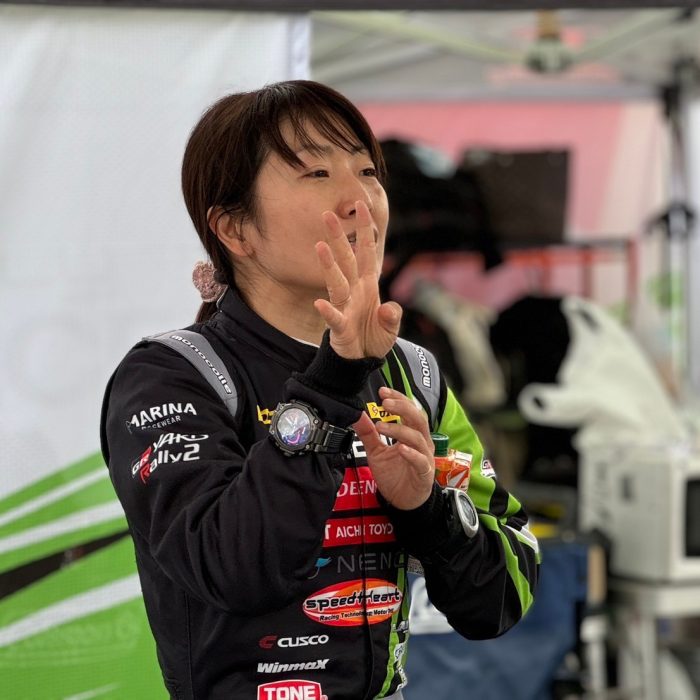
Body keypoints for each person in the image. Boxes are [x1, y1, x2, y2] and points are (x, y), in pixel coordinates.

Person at [100, 80, 539, 700]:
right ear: (235, 230)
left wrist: (427, 510)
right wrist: (333, 378)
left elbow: (501, 600)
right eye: (317, 173)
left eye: (368, 171)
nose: (360, 200)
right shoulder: (174, 375)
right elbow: (233, 570)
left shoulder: (414, 372)